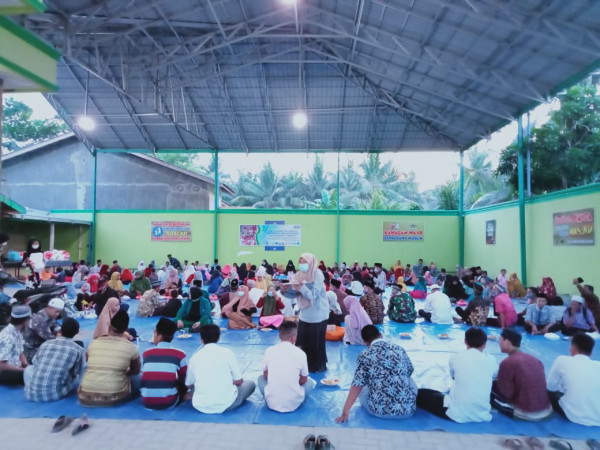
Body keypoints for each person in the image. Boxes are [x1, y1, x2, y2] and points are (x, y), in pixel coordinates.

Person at [336, 325, 417, 422]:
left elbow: (357, 385)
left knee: (362, 388)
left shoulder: (365, 354)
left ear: (366, 343)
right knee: (409, 380)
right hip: (407, 411)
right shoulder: (399, 349)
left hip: (379, 411)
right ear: (380, 335)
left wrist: (345, 411)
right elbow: (409, 370)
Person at [417, 328, 498, 422]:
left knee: (421, 394)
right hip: (482, 414)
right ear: (484, 345)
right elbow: (494, 375)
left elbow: (453, 377)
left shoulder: (456, 358)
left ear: (465, 341)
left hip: (456, 413)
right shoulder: (491, 360)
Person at [186, 324, 255, 413]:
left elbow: (189, 384)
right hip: (228, 403)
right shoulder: (227, 353)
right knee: (251, 384)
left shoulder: (194, 357)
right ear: (219, 338)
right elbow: (239, 381)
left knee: (196, 387)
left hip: (200, 405)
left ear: (201, 340)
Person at [78, 310, 141, 406]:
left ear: (109, 326)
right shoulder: (131, 347)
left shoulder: (94, 342)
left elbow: (88, 360)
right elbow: (136, 370)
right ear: (126, 328)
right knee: (138, 377)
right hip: (114, 398)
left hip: (84, 397)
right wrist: (124, 370)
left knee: (85, 370)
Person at [490, 329, 553, 420]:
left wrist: (496, 383)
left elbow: (507, 394)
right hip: (547, 411)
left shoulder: (507, 362)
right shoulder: (534, 359)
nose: (499, 343)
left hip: (526, 413)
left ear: (507, 341)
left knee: (487, 388)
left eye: (500, 340)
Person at [283, 253, 329, 373]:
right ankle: (302, 365)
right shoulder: (299, 274)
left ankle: (316, 366)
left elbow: (313, 294)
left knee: (315, 342)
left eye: (305, 262)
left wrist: (301, 287)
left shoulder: (317, 274)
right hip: (305, 313)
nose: (302, 265)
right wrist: (284, 290)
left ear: (311, 262)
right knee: (302, 341)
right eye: (300, 262)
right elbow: (293, 294)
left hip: (318, 313)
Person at [258, 321, 316, 413]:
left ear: (279, 335)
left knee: (260, 378)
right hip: (294, 403)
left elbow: (265, 375)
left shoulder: (269, 351)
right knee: (311, 382)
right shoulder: (300, 354)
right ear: (293, 338)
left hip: (272, 402)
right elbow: (304, 380)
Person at [24, 318, 85, 402]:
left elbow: (35, 363)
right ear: (77, 332)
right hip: (55, 394)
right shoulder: (79, 350)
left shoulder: (46, 344)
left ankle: (35, 385)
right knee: (78, 377)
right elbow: (78, 373)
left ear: (60, 331)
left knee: (28, 369)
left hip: (31, 394)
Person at [547, 332, 600, 426]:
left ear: (572, 349)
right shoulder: (598, 365)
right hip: (597, 417)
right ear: (591, 353)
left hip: (573, 415)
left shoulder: (562, 360)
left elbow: (551, 387)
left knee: (547, 392)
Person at [141, 318, 188, 410]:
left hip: (146, 402)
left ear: (157, 334)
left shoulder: (146, 353)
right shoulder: (180, 354)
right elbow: (184, 380)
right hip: (169, 403)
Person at [23, 298, 64, 364]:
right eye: (57, 311)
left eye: (59, 312)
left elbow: (58, 328)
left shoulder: (50, 316)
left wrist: (61, 333)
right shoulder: (38, 319)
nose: (58, 314)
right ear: (50, 308)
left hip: (43, 346)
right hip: (32, 351)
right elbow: (50, 338)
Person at [0, 305, 31, 385]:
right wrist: (22, 370)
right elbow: (1, 365)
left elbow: (20, 350)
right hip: (4, 373)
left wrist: (25, 365)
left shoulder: (17, 331)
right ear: (25, 320)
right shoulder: (7, 336)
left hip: (15, 367)